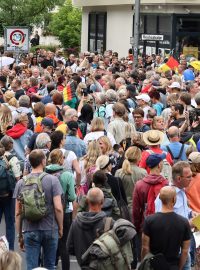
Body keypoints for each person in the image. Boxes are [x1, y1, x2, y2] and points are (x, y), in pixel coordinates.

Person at [13, 149, 63, 270]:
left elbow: (18, 213)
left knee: (31, 266)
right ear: (43, 161)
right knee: (50, 265)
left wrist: (20, 235)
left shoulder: (21, 183)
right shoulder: (53, 180)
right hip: (50, 228)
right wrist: (60, 227)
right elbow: (58, 208)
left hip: (30, 230)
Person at [155, 161, 194, 270]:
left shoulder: (182, 191)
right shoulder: (165, 196)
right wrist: (188, 223)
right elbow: (162, 222)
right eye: (189, 177)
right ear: (178, 179)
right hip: (174, 251)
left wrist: (191, 213)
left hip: (185, 247)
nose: (191, 179)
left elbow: (182, 211)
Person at [141, 186, 191, 270]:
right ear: (174, 199)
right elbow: (185, 251)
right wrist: (179, 268)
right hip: (173, 266)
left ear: (160, 198)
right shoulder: (184, 222)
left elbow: (145, 248)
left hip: (154, 266)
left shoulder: (149, 220)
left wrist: (143, 264)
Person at [133, 153, 168, 263]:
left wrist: (137, 226)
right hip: (163, 225)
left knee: (146, 254)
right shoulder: (165, 184)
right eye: (161, 162)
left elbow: (136, 209)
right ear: (159, 165)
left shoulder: (139, 184)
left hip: (146, 223)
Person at [67, 187, 114, 268]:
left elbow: (70, 247)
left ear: (87, 201)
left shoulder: (76, 222)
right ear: (102, 202)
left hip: (83, 265)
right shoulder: (109, 223)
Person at [46, 149, 76, 270]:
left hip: (48, 211)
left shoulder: (45, 172)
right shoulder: (67, 174)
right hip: (65, 210)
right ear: (61, 159)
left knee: (48, 242)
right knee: (64, 243)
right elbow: (72, 197)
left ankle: (50, 265)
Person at [115, 146, 147, 216]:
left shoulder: (118, 172)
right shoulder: (143, 173)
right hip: (138, 209)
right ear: (139, 157)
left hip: (122, 209)